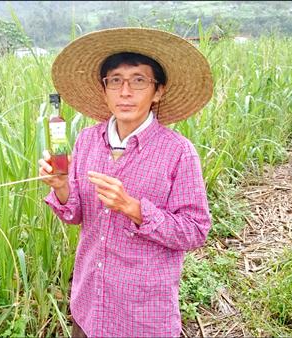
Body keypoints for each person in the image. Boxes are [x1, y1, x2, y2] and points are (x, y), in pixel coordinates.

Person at [39, 27, 214, 337]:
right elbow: (77, 213)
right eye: (115, 80)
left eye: (138, 80)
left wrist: (133, 208)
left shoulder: (178, 152)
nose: (125, 92)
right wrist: (61, 186)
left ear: (158, 91)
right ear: (104, 88)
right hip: (89, 303)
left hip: (142, 314)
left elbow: (195, 231)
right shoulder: (88, 140)